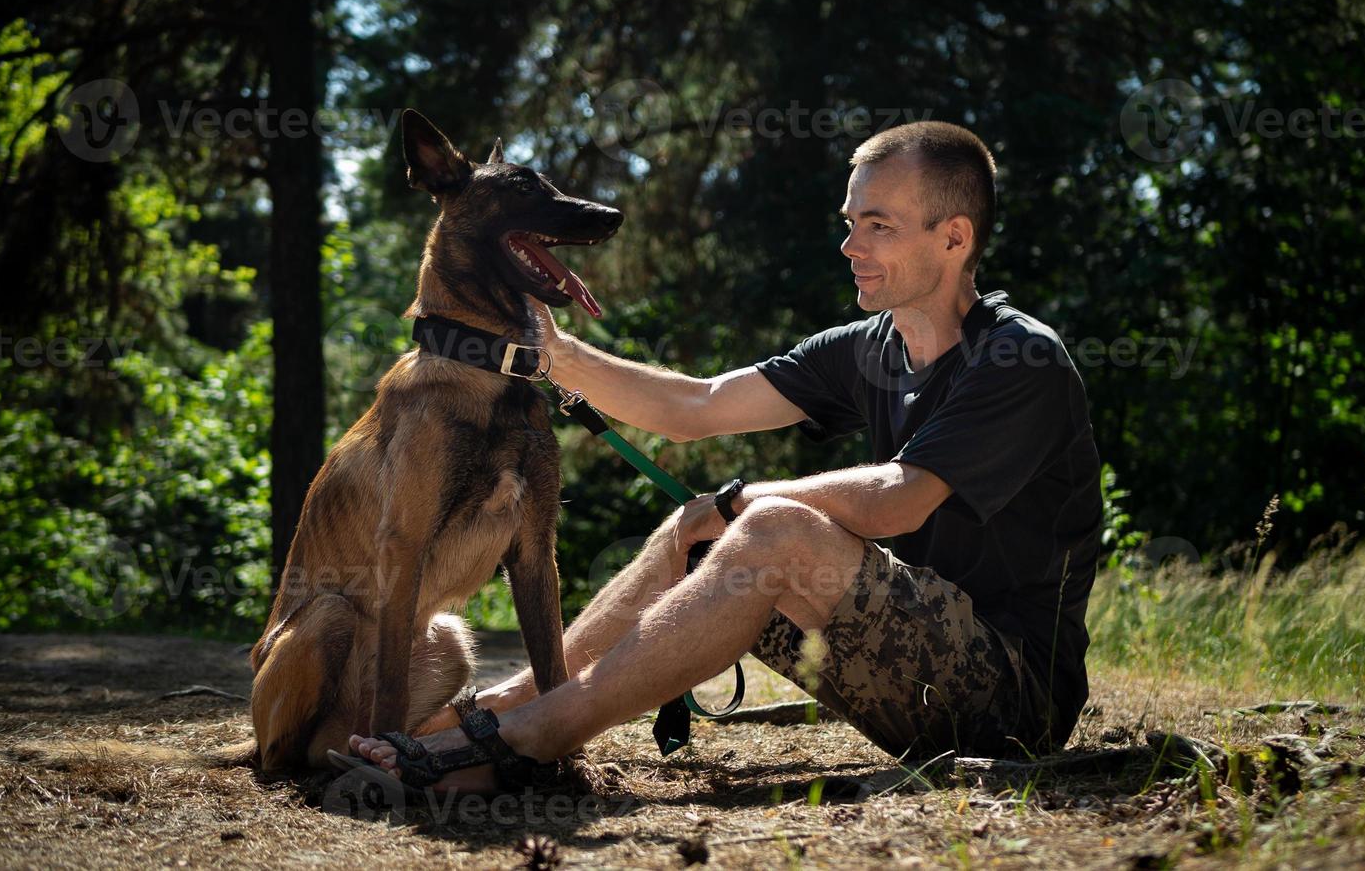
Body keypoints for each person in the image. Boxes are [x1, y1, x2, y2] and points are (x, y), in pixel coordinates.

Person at [346, 121, 1103, 792]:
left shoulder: (1016, 358)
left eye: (879, 225)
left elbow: (893, 501)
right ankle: (490, 711)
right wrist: (559, 354)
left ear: (954, 237)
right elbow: (695, 406)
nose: (849, 246)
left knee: (769, 526)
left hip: (1008, 695)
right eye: (849, 222)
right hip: (909, 670)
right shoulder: (870, 348)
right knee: (691, 529)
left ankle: (532, 738)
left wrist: (742, 502)